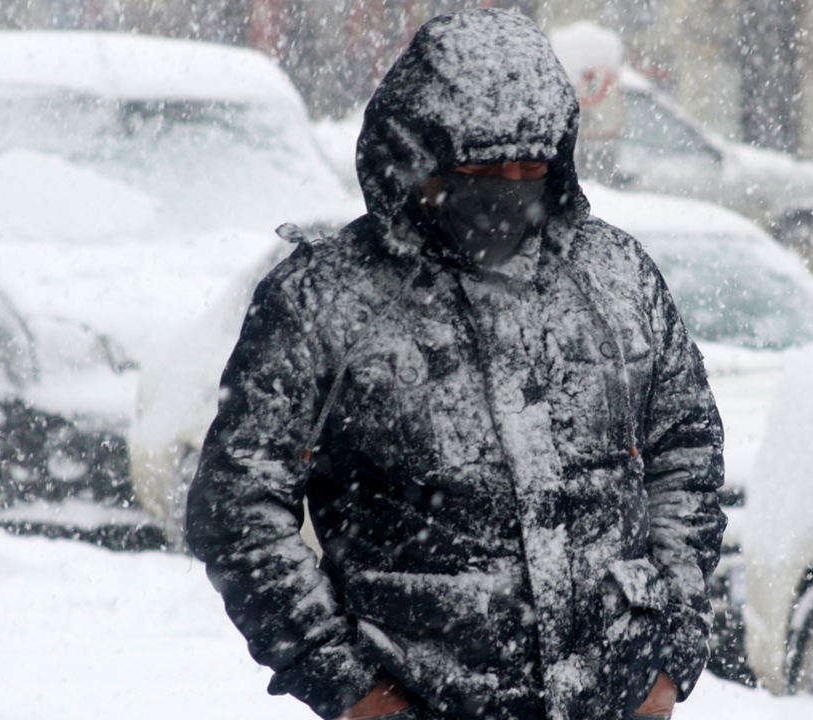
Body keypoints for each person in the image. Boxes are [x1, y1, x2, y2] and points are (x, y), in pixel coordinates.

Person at [184, 9, 726, 720]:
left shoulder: (614, 275)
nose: (508, 187)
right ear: (416, 158)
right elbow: (238, 506)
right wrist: (348, 686)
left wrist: (669, 650)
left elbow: (685, 452)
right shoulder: (327, 298)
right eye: (481, 170)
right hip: (422, 698)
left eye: (529, 168)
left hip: (612, 697)